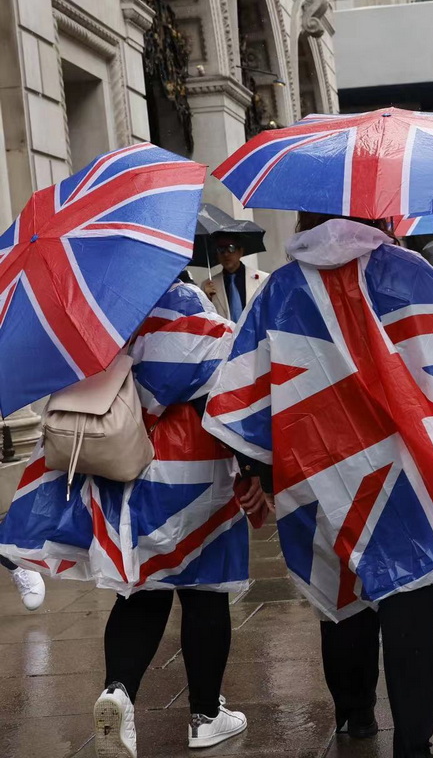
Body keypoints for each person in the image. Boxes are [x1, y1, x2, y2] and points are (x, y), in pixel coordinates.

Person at [202, 213, 433, 758]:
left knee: (341, 588)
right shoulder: (407, 270)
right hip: (403, 465)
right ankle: (414, 743)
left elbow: (246, 383)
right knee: (409, 591)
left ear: (305, 218)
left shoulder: (281, 285)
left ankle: (356, 714)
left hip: (317, 466)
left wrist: (261, 469)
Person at [0, 280, 248, 756]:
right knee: (205, 592)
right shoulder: (189, 306)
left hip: (126, 468)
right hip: (196, 473)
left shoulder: (101, 312)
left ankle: (117, 692)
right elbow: (230, 377)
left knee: (140, 592)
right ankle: (205, 715)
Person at [201, 232, 270, 322]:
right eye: (221, 249)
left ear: (240, 251)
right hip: (225, 335)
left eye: (231, 248)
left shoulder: (263, 279)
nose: (226, 254)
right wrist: (205, 298)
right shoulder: (208, 285)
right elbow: (204, 319)